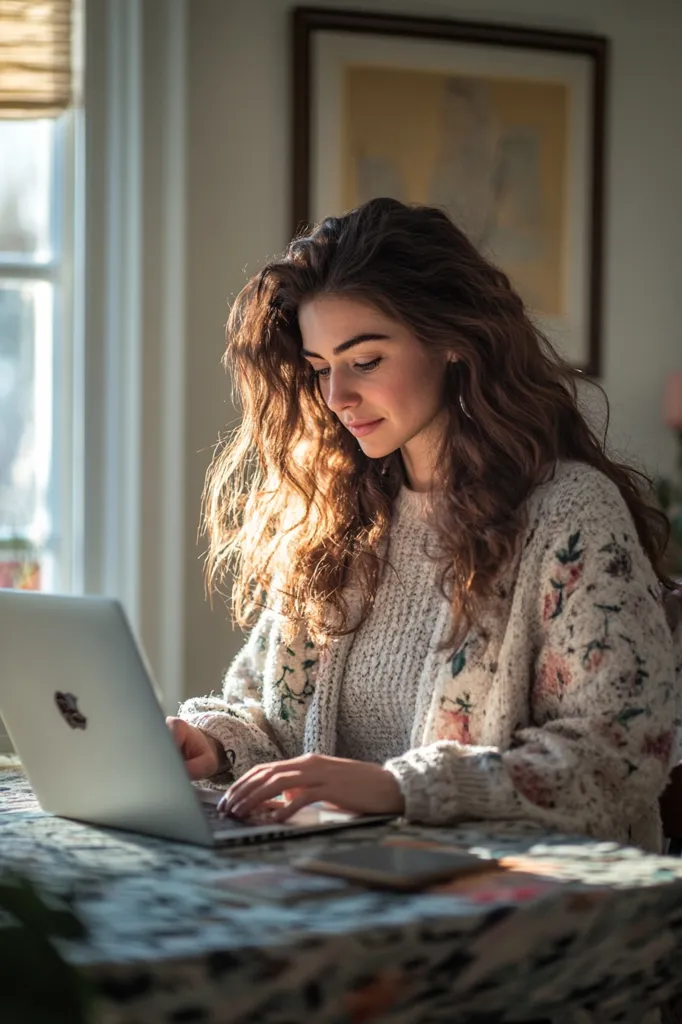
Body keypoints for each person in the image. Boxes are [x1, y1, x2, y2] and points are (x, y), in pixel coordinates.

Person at [167, 197, 679, 852]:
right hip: (345, 884)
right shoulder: (336, 519)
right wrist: (211, 743)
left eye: (366, 360)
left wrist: (400, 789)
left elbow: (615, 762)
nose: (336, 397)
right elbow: (270, 720)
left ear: (454, 344)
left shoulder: (570, 517)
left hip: (527, 908)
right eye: (321, 368)